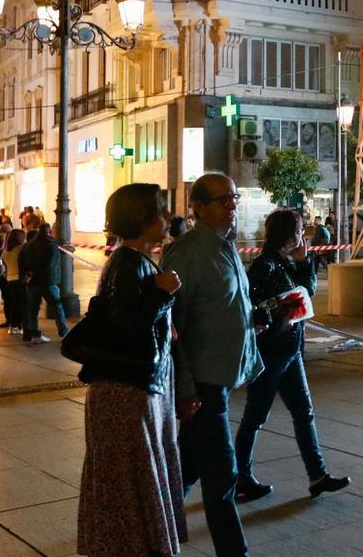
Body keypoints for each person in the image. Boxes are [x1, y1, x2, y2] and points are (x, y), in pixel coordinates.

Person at [76, 183, 188, 557]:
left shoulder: (135, 260)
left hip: (137, 389)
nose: (168, 217)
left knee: (131, 476)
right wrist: (161, 295)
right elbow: (127, 329)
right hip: (128, 392)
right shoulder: (128, 264)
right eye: (160, 211)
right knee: (130, 478)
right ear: (140, 218)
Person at [162, 172, 262, 557]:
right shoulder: (186, 253)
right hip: (202, 384)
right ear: (198, 208)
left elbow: (230, 305)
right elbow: (175, 327)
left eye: (234, 198)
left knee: (189, 466)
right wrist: (185, 388)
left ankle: (152, 525)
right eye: (223, 200)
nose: (232, 206)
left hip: (221, 377)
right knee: (222, 473)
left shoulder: (225, 246)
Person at [233, 209, 349, 504]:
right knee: (255, 416)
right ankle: (240, 477)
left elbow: (306, 293)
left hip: (291, 351)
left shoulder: (286, 263)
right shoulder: (265, 266)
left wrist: (303, 262)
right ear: (289, 234)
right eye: (300, 230)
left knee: (303, 412)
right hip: (271, 353)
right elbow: (253, 304)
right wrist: (273, 317)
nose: (304, 235)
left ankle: (317, 475)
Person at [19, 222, 68, 343]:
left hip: (32, 282)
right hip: (48, 281)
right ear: (49, 231)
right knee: (57, 307)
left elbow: (21, 261)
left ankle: (35, 334)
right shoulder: (51, 244)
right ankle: (64, 332)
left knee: (33, 309)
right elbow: (50, 263)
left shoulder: (27, 245)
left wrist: (27, 274)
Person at [0, 229, 26, 335]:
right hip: (20, 279)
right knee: (21, 304)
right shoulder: (21, 249)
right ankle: (19, 325)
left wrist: (7, 276)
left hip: (10, 279)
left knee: (13, 304)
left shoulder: (5, 251)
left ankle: (13, 325)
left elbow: (3, 268)